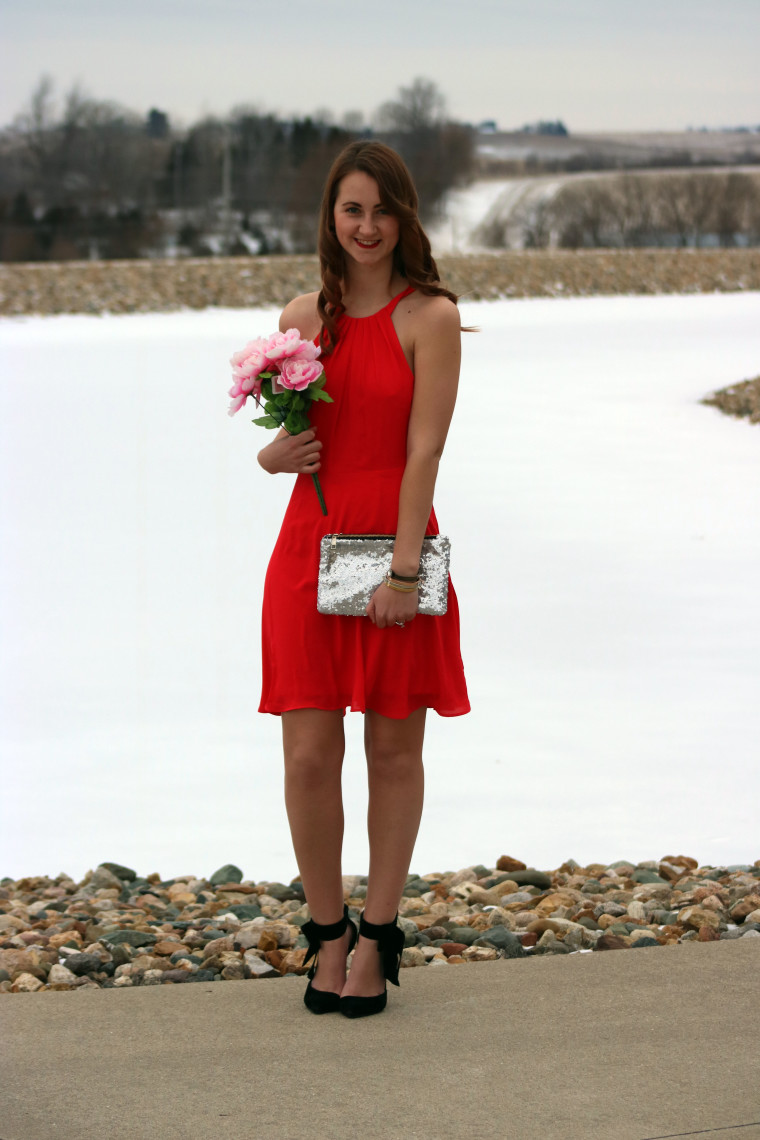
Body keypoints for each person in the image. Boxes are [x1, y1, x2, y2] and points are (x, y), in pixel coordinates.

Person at [256, 140, 470, 1018]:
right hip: (306, 548)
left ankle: (378, 939)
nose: (368, 226)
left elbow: (425, 447)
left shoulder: (432, 317)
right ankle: (327, 934)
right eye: (352, 209)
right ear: (331, 218)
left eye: (383, 210)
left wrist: (405, 568)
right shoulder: (303, 316)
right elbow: (293, 435)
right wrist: (271, 456)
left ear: (405, 216)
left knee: (391, 751)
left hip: (398, 546)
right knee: (310, 756)